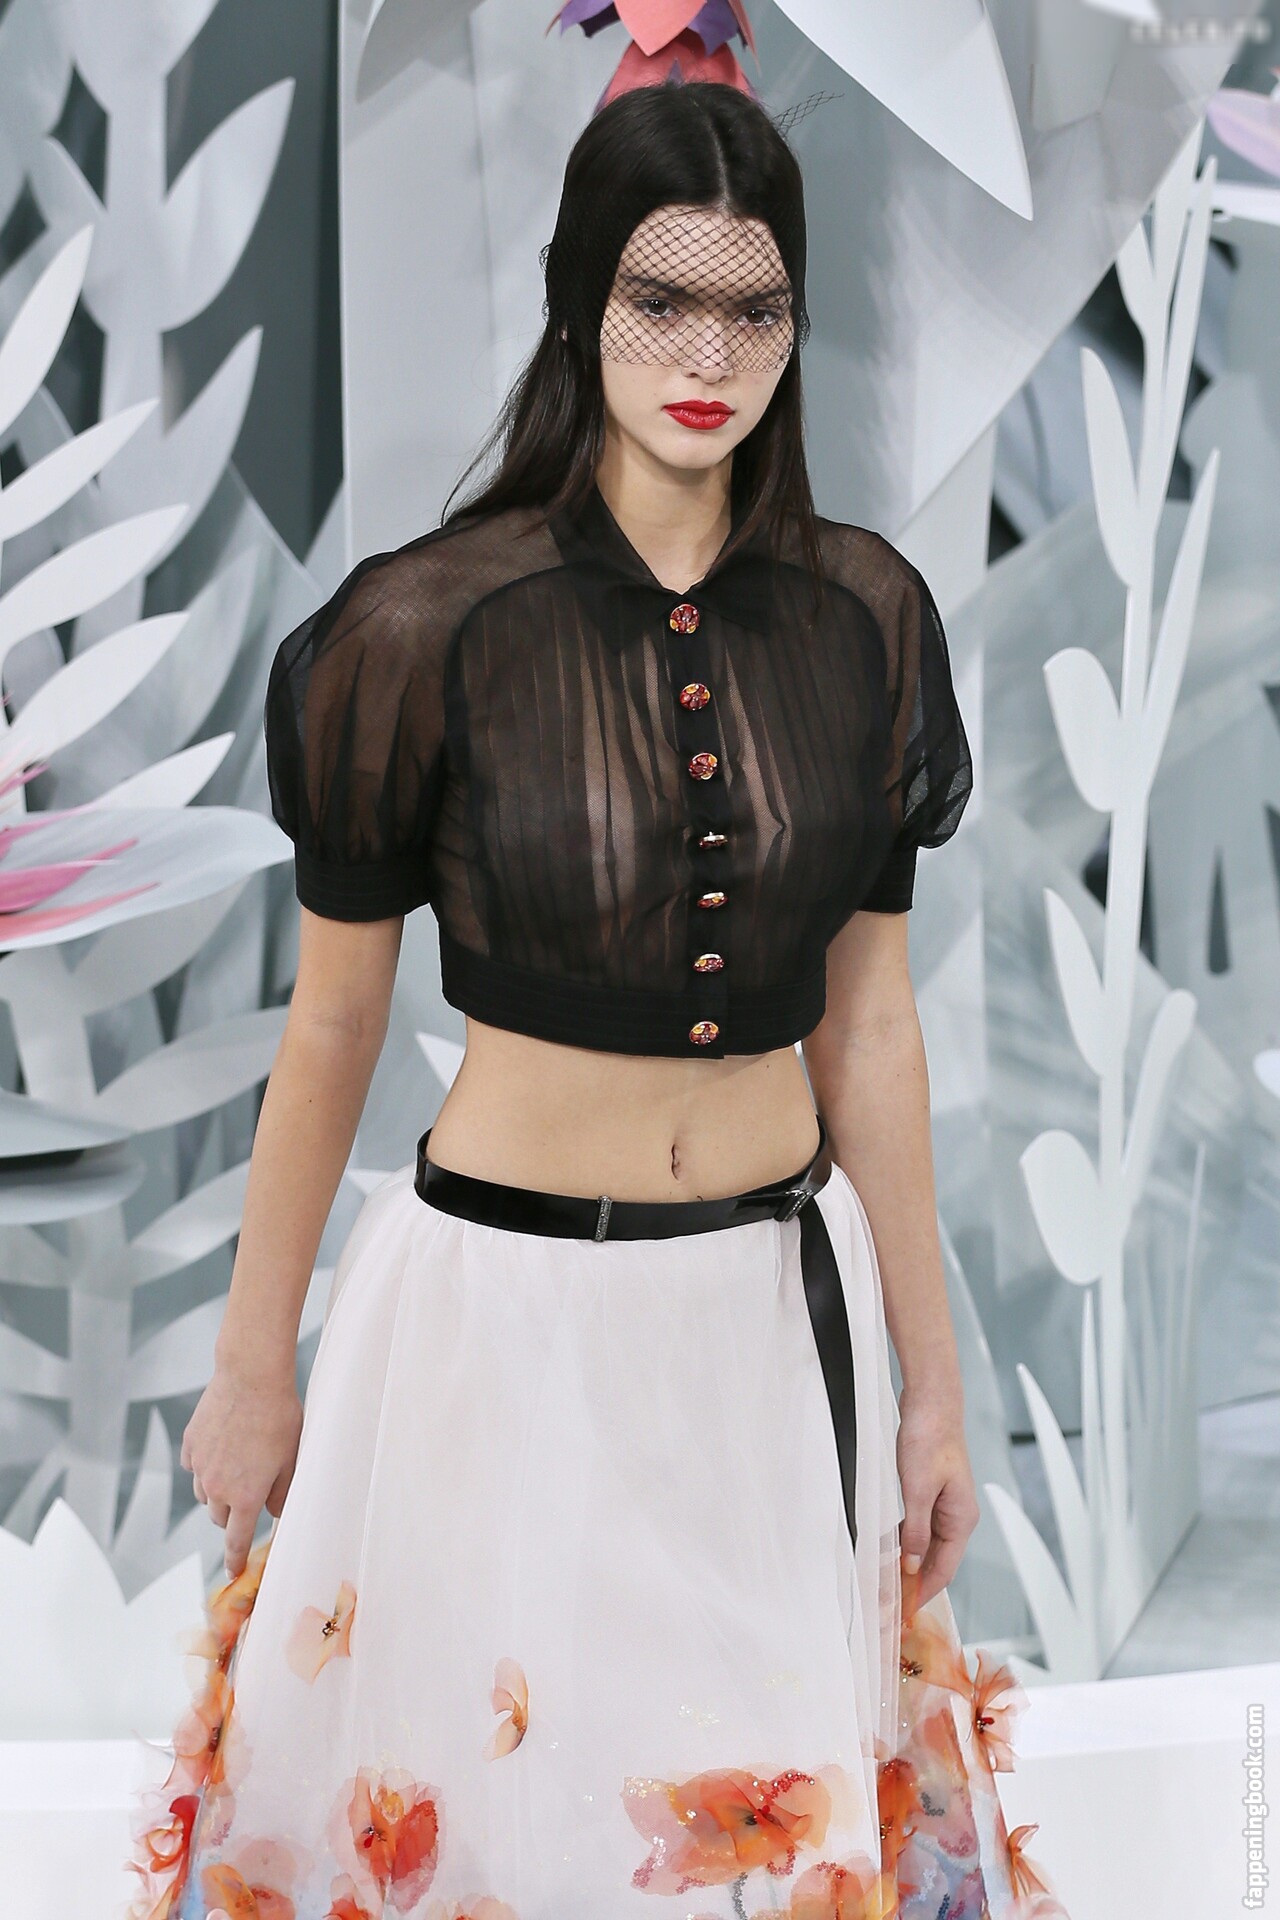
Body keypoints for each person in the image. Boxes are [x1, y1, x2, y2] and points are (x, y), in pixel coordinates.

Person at [125, 79, 1067, 1920]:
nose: (709, 355)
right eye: (661, 300)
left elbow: (871, 1030)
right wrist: (251, 1364)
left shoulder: (867, 618)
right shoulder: (419, 628)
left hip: (768, 1334)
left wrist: (935, 1392)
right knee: (500, 1843)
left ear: (797, 325)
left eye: (754, 308)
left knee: (756, 1854)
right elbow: (331, 1027)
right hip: (497, 1332)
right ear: (578, 302)